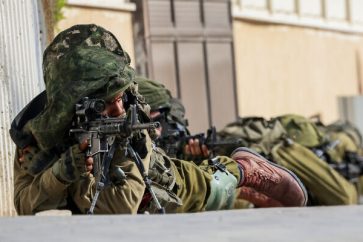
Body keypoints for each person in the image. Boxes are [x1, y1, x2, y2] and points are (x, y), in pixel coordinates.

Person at [11, 24, 307, 215]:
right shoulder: (36, 137)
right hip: (92, 213)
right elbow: (24, 205)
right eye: (105, 104)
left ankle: (245, 170)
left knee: (208, 189)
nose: (118, 111)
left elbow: (121, 207)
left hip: (163, 193)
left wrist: (124, 143)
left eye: (120, 98)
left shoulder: (129, 112)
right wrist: (61, 173)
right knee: (229, 203)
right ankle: (247, 195)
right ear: (74, 107)